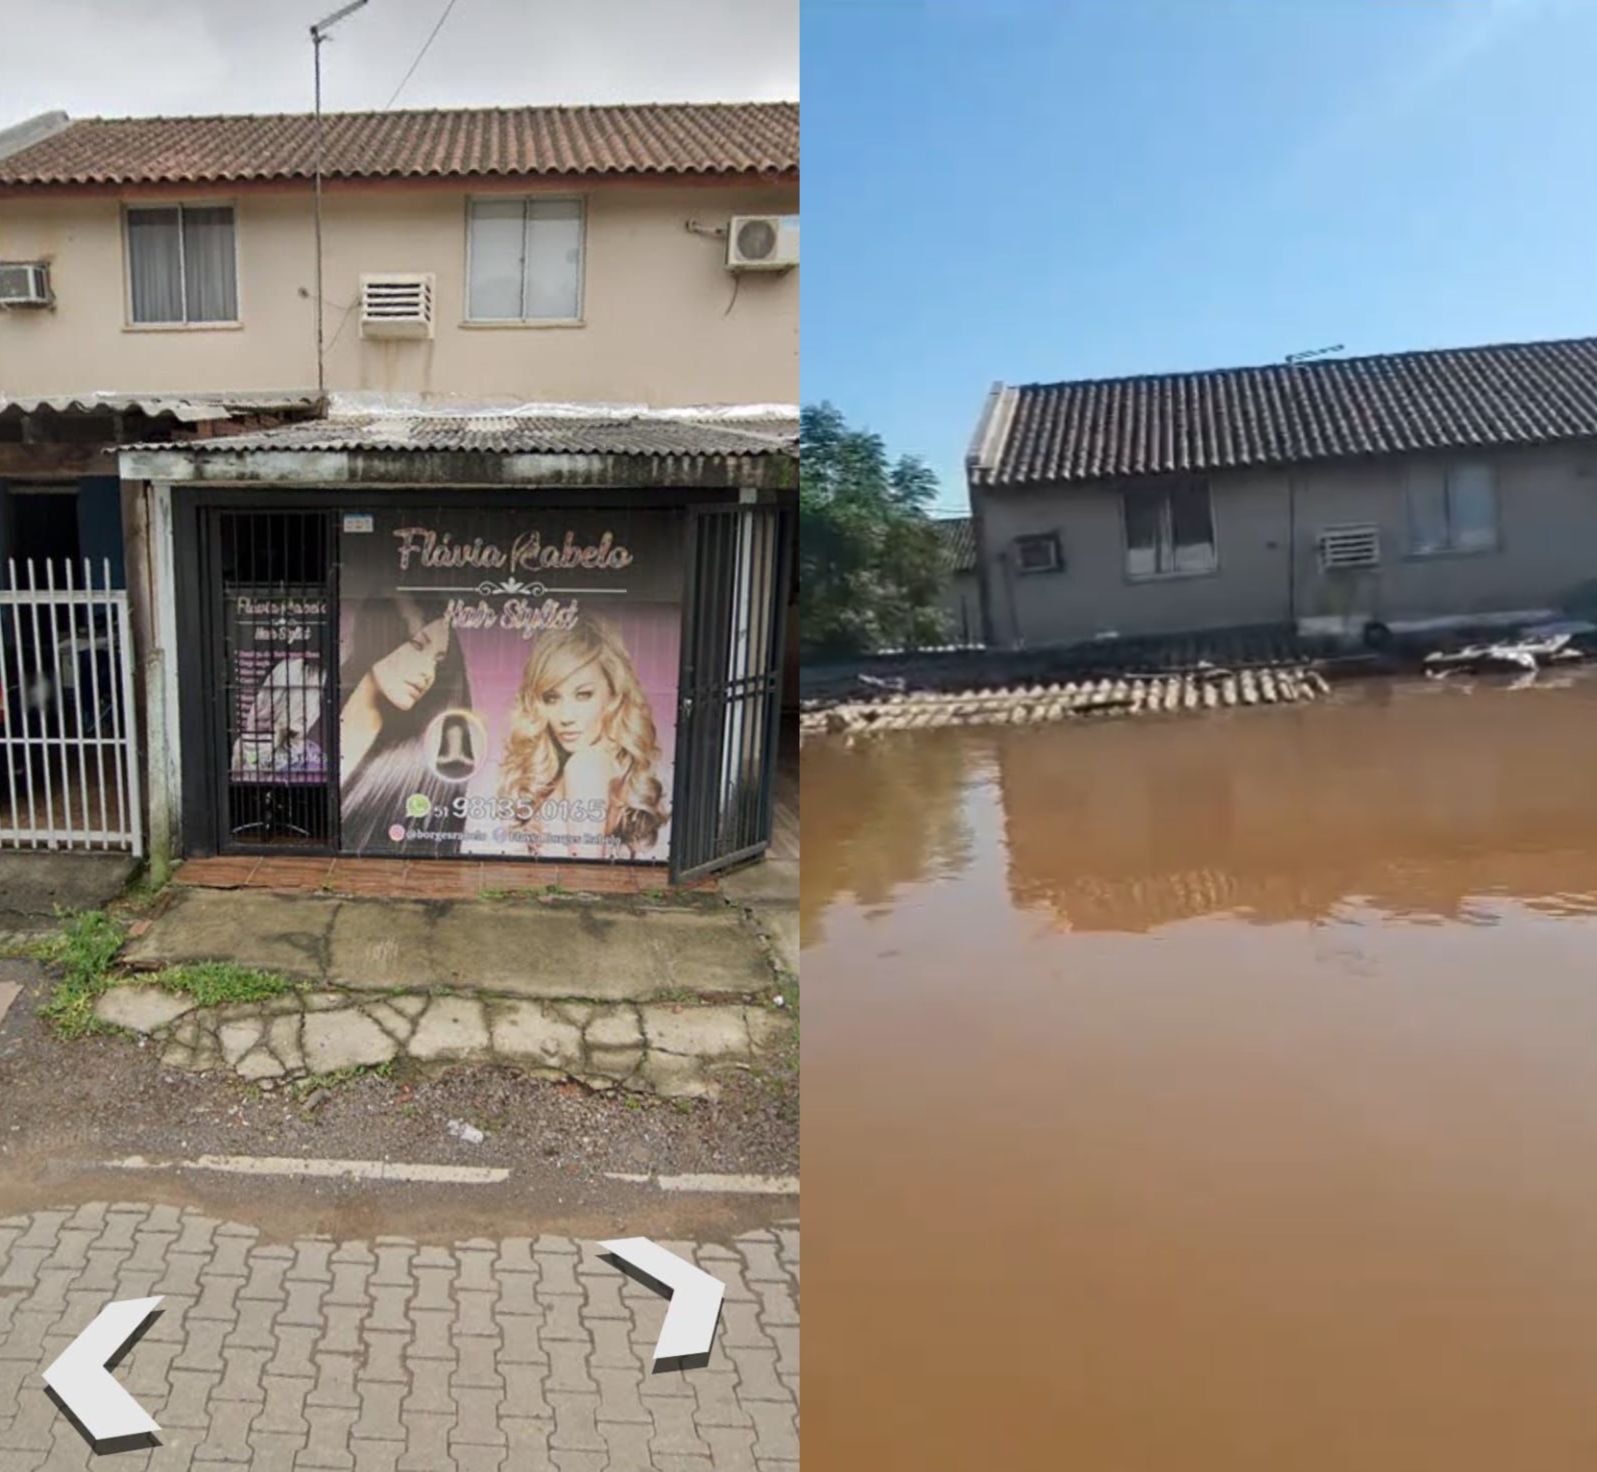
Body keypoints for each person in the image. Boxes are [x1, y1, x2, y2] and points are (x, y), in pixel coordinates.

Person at [498, 614, 669, 860]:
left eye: (584, 694)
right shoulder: (606, 765)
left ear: (612, 694)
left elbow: (583, 872)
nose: (566, 716)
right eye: (551, 698)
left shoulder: (585, 765)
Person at [339, 596, 471, 853]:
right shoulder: (305, 691)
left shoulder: (419, 767)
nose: (428, 673)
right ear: (379, 636)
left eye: (438, 661)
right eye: (417, 645)